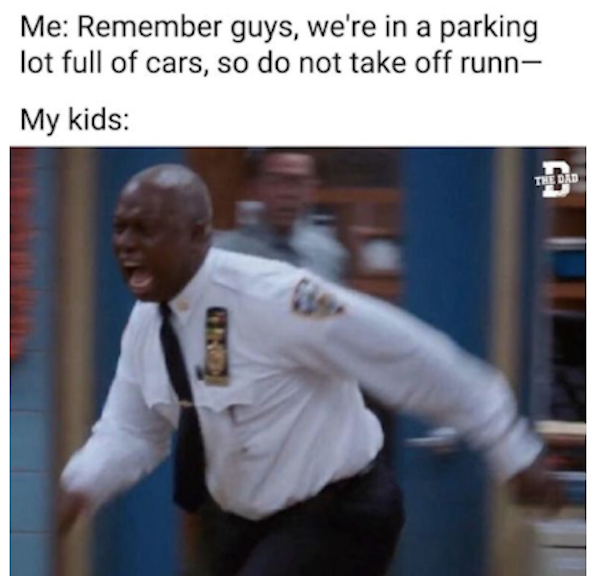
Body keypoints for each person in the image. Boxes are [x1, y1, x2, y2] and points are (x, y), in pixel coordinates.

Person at [59, 164, 562, 576]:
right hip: (238, 522)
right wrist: (80, 487)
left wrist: (507, 443)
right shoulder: (147, 325)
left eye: (145, 229)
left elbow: (405, 354)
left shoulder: (276, 297)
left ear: (198, 236)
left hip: (337, 515)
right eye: (120, 228)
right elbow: (132, 430)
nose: (126, 244)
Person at [215, 150, 348, 282]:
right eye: (275, 181)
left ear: (313, 189)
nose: (287, 193)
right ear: (255, 187)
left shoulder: (329, 253)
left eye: (297, 182)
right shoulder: (226, 253)